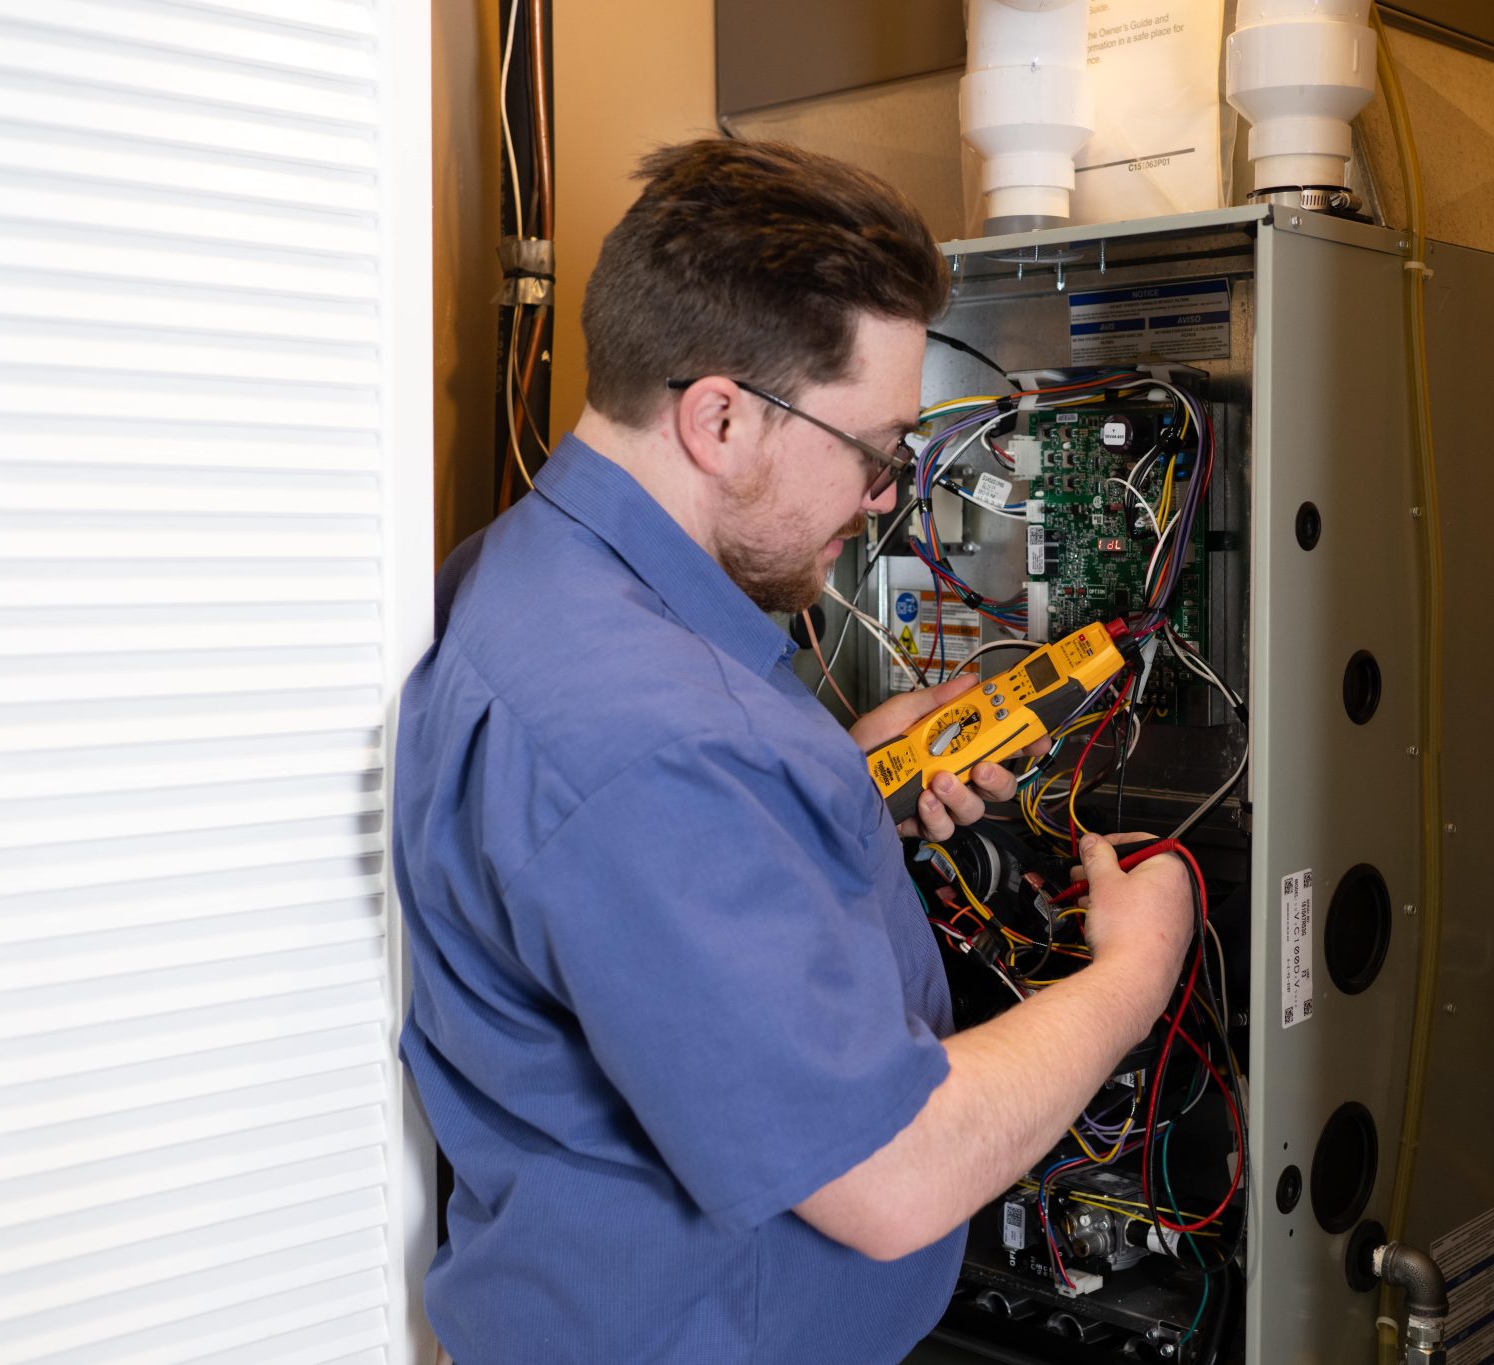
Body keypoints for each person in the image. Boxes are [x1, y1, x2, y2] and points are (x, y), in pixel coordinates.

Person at [392, 138, 1196, 1365]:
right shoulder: (653, 745)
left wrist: (837, 779)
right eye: (875, 452)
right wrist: (1132, 976)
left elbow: (640, 916)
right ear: (718, 417)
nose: (885, 499)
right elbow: (890, 1178)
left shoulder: (537, 583)